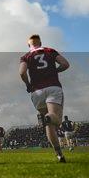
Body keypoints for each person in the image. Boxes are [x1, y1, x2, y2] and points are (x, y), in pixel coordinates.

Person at [19, 34, 70, 163]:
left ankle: (59, 154)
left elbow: (22, 72)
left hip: (37, 91)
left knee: (49, 124)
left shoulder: (26, 56)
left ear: (29, 45)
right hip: (52, 87)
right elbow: (65, 64)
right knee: (56, 120)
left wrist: (28, 84)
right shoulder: (49, 51)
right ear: (40, 43)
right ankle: (50, 116)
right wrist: (55, 71)